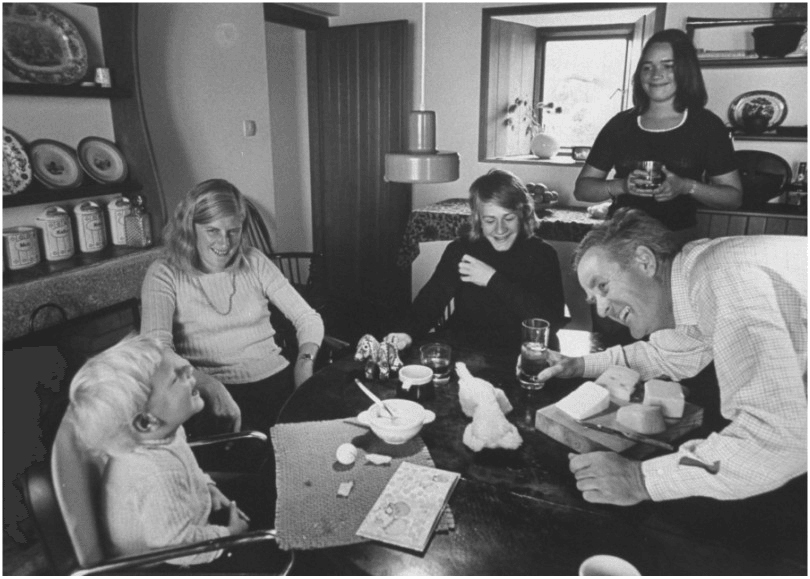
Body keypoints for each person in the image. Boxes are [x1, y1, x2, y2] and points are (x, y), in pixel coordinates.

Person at [536, 208, 806, 505]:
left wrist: (640, 479)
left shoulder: (723, 278)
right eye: (593, 299)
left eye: (603, 286)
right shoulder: (695, 276)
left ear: (645, 261)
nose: (601, 310)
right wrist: (577, 366)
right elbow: (664, 356)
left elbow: (775, 439)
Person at [141, 179, 324, 434]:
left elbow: (308, 318)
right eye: (212, 231)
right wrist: (209, 385)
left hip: (275, 381)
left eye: (233, 231)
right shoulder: (164, 273)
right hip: (206, 392)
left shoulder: (255, 261)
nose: (224, 243)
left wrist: (303, 363)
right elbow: (156, 347)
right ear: (191, 228)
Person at [68, 334, 250, 567]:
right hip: (167, 564)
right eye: (176, 378)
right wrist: (228, 535)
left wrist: (208, 487)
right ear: (147, 422)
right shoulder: (156, 475)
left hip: (186, 526)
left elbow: (189, 468)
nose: (189, 372)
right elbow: (177, 548)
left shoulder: (166, 433)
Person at [573, 29, 742, 244]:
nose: (655, 74)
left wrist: (686, 186)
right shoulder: (620, 125)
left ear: (685, 71)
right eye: (647, 67)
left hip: (676, 242)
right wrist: (622, 186)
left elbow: (733, 197)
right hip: (619, 241)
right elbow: (582, 190)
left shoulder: (707, 125)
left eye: (668, 66)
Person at [386, 169, 566, 352]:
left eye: (509, 218)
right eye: (490, 220)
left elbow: (552, 322)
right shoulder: (462, 250)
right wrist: (407, 332)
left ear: (524, 214)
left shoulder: (543, 254)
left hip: (521, 353)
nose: (500, 229)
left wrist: (493, 279)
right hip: (466, 350)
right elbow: (431, 300)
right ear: (478, 219)